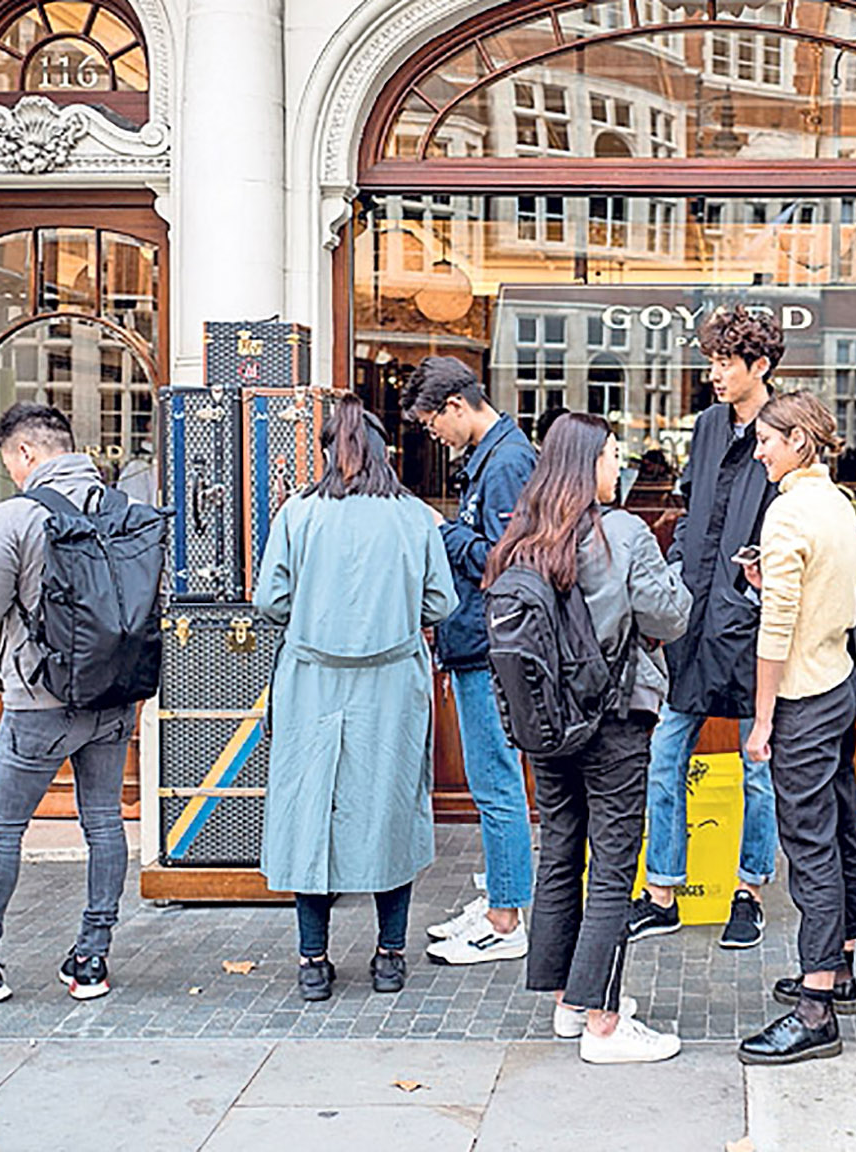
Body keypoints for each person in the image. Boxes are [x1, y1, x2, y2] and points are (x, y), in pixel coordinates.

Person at [0, 404, 142, 1007]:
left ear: (28, 454)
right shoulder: (121, 510)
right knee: (103, 822)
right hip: (114, 695)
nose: (10, 472)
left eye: (9, 460)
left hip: (40, 701)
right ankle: (91, 960)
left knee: (1, 832)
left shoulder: (16, 516)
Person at [486, 413, 694, 1064]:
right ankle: (605, 1024)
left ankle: (569, 1005)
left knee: (559, 855)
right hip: (614, 721)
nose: (618, 468)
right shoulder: (625, 533)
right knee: (611, 869)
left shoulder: (523, 540)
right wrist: (677, 575)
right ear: (586, 466)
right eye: (611, 457)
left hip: (547, 724)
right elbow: (669, 615)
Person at [253, 396, 455, 1000]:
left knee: (310, 815)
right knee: (389, 813)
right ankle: (389, 957)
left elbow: (271, 601)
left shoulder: (299, 513)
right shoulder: (415, 517)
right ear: (383, 454)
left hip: (312, 682)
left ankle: (312, 962)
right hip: (392, 683)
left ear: (326, 453)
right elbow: (440, 603)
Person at [627, 310, 785, 950]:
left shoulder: (787, 431)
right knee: (665, 758)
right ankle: (662, 892)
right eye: (712, 360)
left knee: (757, 767)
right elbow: (693, 511)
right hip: (692, 620)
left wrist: (755, 592)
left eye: (726, 362)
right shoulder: (709, 425)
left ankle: (748, 892)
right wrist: (672, 578)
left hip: (754, 630)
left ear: (761, 368)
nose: (714, 374)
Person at [735, 391, 856, 1066]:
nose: (760, 450)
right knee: (840, 828)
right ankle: (839, 965)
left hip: (802, 696)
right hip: (839, 681)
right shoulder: (839, 505)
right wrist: (769, 583)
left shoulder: (788, 512)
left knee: (809, 845)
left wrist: (761, 721)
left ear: (801, 442)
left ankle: (815, 1008)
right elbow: (826, 596)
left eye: (768, 439)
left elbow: (777, 631)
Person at [401, 357, 539, 965]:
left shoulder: (507, 462)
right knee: (491, 781)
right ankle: (497, 902)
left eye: (433, 423)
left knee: (495, 782)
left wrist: (441, 529)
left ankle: (507, 919)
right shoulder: (494, 457)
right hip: (478, 641)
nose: (434, 435)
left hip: (490, 645)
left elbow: (506, 559)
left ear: (456, 405)